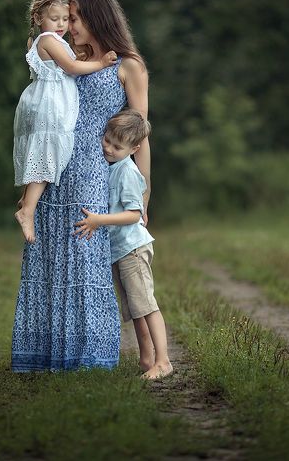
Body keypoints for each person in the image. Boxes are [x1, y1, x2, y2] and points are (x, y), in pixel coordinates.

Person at [11, 0, 151, 372]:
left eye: (73, 18)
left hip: (93, 169)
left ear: (96, 18)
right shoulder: (69, 57)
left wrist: (144, 190)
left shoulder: (128, 65)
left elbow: (140, 134)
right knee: (49, 256)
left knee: (85, 256)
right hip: (57, 167)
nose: (68, 26)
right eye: (66, 18)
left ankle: (89, 356)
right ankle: (45, 353)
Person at [73, 110, 173, 379]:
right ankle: (146, 358)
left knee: (146, 305)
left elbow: (134, 214)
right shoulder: (112, 166)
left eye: (117, 147)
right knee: (134, 309)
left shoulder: (127, 171)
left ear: (134, 149)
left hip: (133, 249)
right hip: (120, 250)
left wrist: (98, 221)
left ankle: (163, 361)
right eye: (107, 141)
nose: (109, 148)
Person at [13, 0, 117, 244]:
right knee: (48, 154)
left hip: (45, 104)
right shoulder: (48, 41)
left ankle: (29, 199)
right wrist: (101, 63)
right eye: (54, 19)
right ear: (38, 19)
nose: (61, 25)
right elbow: (71, 67)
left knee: (43, 153)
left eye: (65, 19)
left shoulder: (53, 41)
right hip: (49, 107)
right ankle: (27, 210)